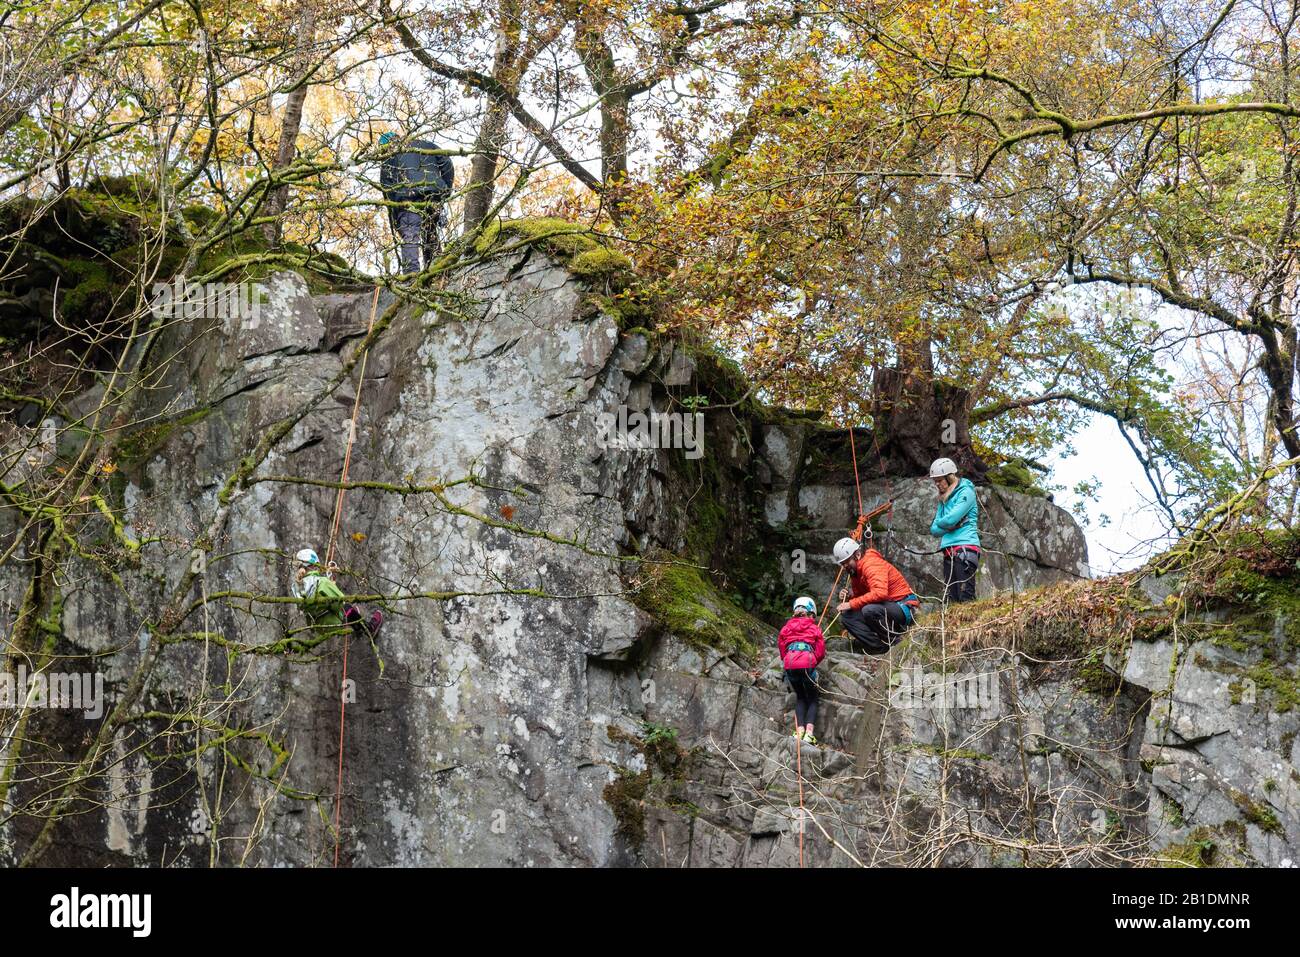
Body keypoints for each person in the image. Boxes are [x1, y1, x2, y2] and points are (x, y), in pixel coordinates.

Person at [378, 131, 455, 274]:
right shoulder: (426, 145)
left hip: (408, 200)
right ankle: (436, 270)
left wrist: (396, 217)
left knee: (410, 235)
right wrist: (445, 188)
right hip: (433, 196)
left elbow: (387, 189)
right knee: (430, 232)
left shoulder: (389, 157)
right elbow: (446, 162)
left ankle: (411, 276)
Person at [832, 531, 919, 655]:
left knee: (869, 610)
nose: (845, 566)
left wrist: (851, 604)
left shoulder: (871, 564)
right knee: (848, 617)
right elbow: (864, 597)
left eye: (846, 562)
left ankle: (896, 643)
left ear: (857, 555)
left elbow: (880, 593)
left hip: (904, 606)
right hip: (888, 607)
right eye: (842, 564)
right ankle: (879, 648)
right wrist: (850, 597)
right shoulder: (855, 571)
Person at [291, 548, 383, 643]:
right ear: (314, 566)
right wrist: (331, 585)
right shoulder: (322, 582)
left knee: (343, 608)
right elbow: (340, 601)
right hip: (333, 623)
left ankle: (355, 626)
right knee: (346, 607)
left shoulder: (296, 587)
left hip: (318, 626)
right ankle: (369, 629)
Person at [927, 457, 980, 603]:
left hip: (965, 549)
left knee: (965, 597)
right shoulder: (944, 499)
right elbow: (934, 530)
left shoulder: (966, 492)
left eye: (939, 480)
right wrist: (949, 524)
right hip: (949, 551)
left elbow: (949, 520)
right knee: (953, 600)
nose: (937, 484)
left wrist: (945, 523)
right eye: (935, 481)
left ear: (949, 478)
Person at [779, 596, 826, 744]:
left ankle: (799, 732)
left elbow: (782, 649)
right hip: (807, 664)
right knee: (812, 698)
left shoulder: (786, 628)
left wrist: (788, 661)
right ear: (811, 613)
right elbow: (820, 652)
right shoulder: (814, 628)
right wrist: (812, 662)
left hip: (790, 664)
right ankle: (809, 734)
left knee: (800, 697)